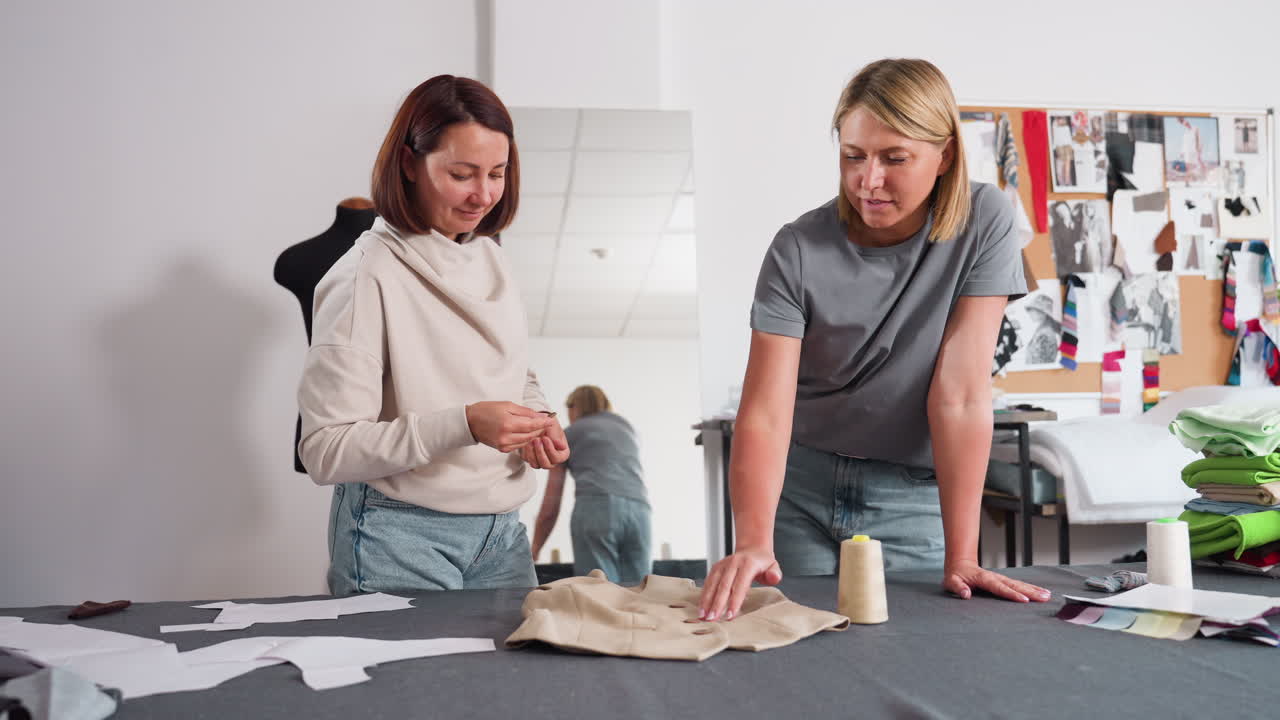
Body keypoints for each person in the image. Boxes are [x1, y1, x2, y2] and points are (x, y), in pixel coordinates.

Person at [698, 58, 1052, 621]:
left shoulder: (984, 220)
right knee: (797, 648)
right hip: (801, 489)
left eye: (895, 158)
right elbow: (765, 410)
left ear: (945, 156)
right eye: (853, 156)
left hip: (910, 492)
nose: (868, 180)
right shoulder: (796, 248)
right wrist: (754, 540)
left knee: (918, 648)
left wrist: (964, 555)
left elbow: (961, 393)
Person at [296, 75, 569, 596]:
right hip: (398, 532)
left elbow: (513, 371)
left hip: (502, 532)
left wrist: (537, 418)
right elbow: (326, 450)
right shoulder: (364, 277)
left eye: (497, 173)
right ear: (408, 163)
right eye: (462, 174)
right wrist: (466, 424)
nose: (483, 195)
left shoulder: (491, 258)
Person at [531, 386, 652, 584]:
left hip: (596, 510)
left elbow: (551, 505)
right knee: (639, 591)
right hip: (640, 511)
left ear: (574, 407)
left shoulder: (570, 434)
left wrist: (535, 548)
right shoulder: (628, 429)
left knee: (599, 590)